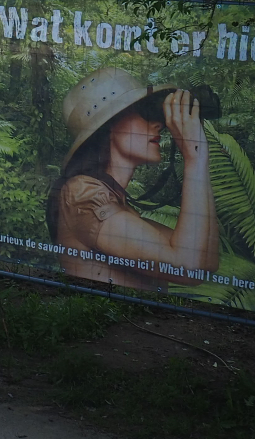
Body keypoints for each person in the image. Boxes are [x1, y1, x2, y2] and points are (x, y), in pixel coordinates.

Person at [47, 67, 219, 290]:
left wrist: (199, 155)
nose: (159, 124)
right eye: (145, 113)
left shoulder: (118, 207)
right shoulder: (81, 194)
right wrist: (194, 159)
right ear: (109, 126)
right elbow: (188, 266)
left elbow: (206, 261)